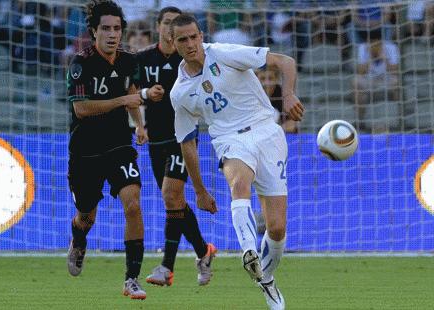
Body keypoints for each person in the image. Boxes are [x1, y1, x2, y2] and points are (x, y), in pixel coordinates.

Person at [169, 14, 304, 310]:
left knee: (277, 228)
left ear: (200, 34)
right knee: (238, 183)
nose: (191, 44)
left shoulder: (224, 53)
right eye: (183, 39)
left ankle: (266, 279)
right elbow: (186, 143)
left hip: (267, 131)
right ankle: (248, 253)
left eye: (194, 37)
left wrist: (290, 94)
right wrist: (200, 190)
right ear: (173, 43)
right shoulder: (179, 92)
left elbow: (284, 61)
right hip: (230, 139)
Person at [66, 0, 161, 300]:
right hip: (85, 151)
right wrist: (123, 103)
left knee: (133, 204)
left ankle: (131, 279)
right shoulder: (80, 63)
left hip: (120, 144)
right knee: (86, 216)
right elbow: (81, 109)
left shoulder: (127, 61)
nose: (112, 34)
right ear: (94, 31)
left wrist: (140, 124)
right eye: (106, 28)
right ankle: (79, 239)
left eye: (117, 28)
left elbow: (131, 91)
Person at [136, 6, 216, 287]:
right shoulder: (143, 59)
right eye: (167, 23)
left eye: (175, 24)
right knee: (176, 201)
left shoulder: (191, 61)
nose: (171, 29)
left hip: (184, 138)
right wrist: (140, 120)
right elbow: (129, 92)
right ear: (158, 26)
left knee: (171, 195)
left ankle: (166, 267)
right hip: (156, 142)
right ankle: (203, 251)